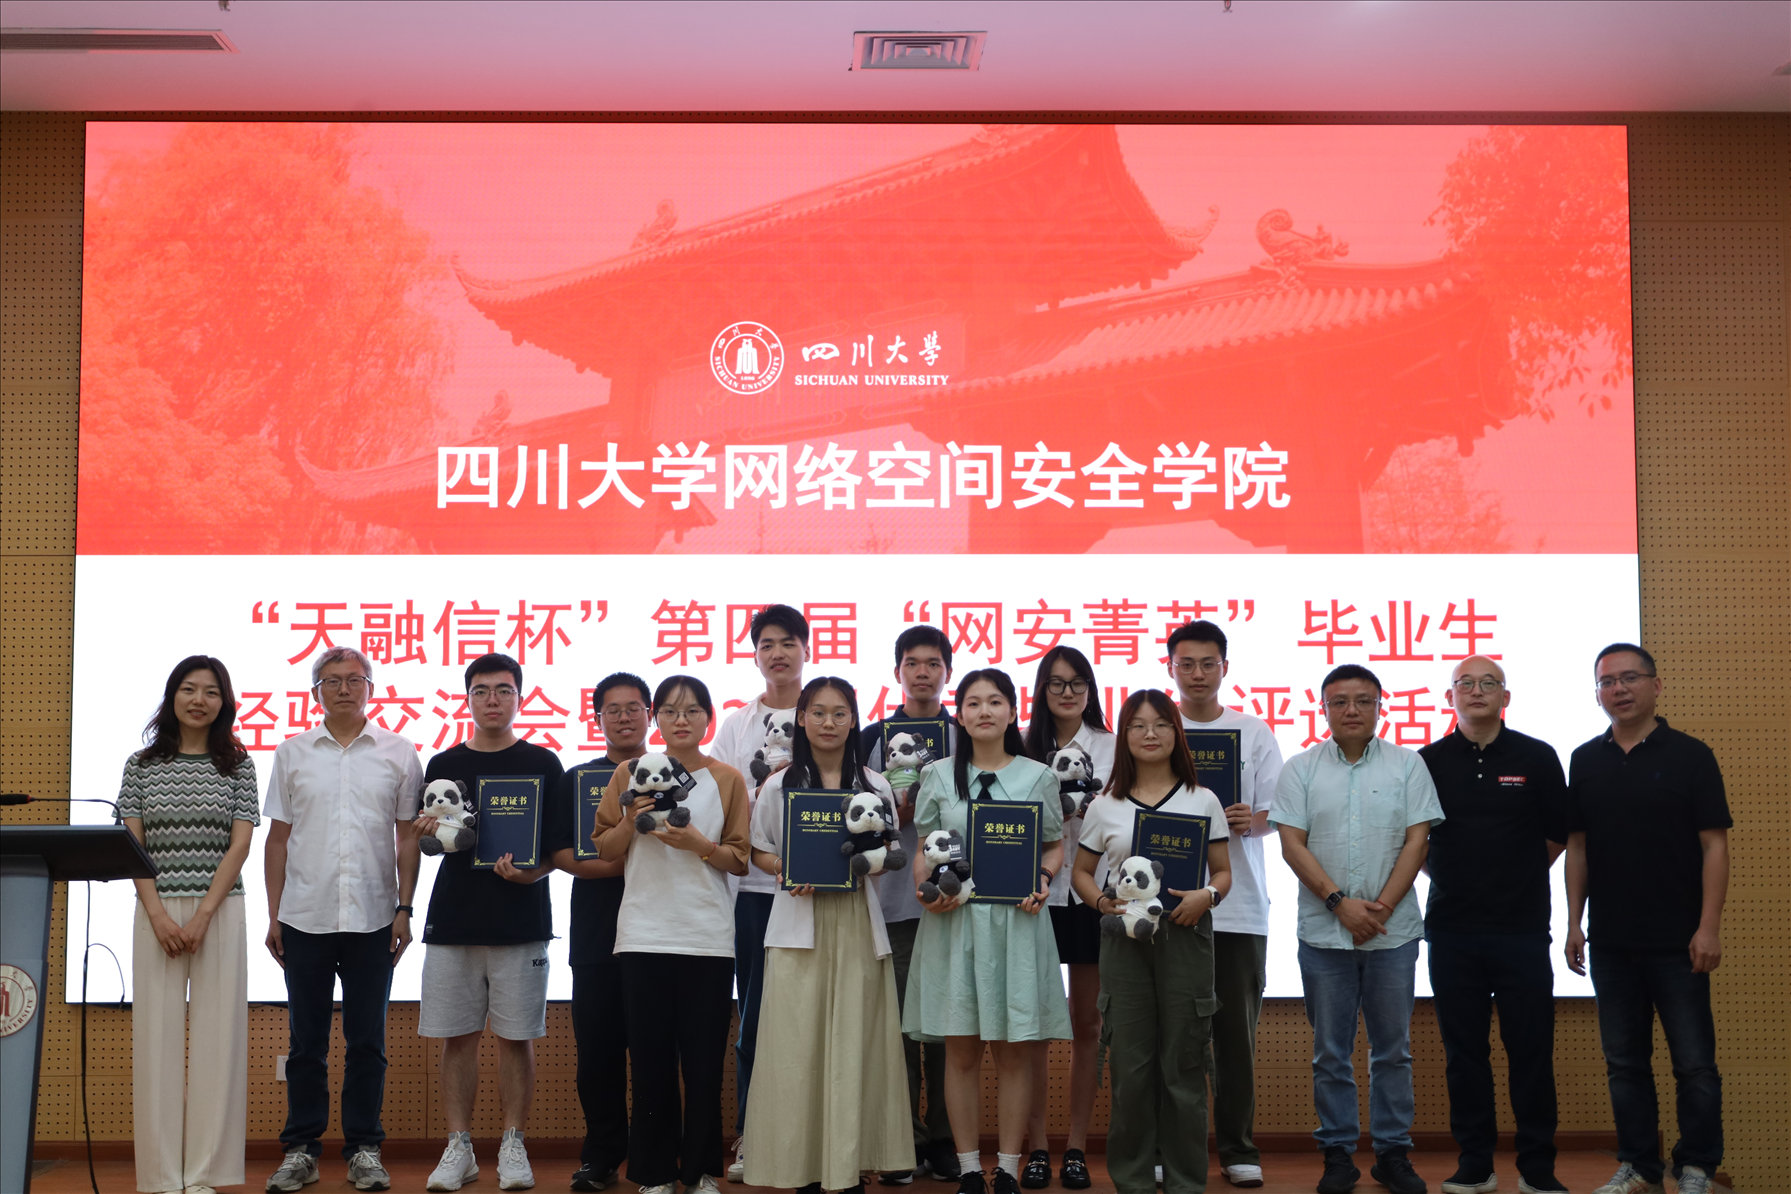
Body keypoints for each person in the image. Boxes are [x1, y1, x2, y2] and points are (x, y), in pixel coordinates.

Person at [1272, 664, 1442, 1194]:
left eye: (1363, 700)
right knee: (1331, 1051)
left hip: (1394, 935)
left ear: (1379, 706)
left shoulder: (1408, 765)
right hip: (1324, 936)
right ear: (1323, 708)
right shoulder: (1300, 768)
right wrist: (1339, 904)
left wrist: (1381, 909)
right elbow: (1291, 845)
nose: (1351, 710)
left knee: (1393, 1050)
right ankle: (1338, 1155)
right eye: (1340, 701)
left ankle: (1392, 1154)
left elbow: (1418, 841)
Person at [1566, 644, 1730, 1194]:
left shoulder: (1691, 755)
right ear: (1597, 694)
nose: (1618, 689)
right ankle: (1638, 1165)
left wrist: (1708, 927)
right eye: (1607, 682)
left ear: (1656, 686)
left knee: (1694, 1065)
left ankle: (1697, 1167)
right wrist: (1574, 922)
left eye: (1630, 678)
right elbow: (1578, 848)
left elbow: (1714, 846)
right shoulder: (1585, 759)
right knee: (1624, 1064)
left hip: (1680, 941)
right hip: (1612, 942)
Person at [742, 676, 915, 1192]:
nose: (828, 722)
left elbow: (890, 853)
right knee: (797, 1049)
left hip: (857, 921)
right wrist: (786, 869)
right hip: (798, 925)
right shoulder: (779, 785)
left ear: (853, 720)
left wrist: (868, 863)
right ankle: (802, 1169)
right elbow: (759, 850)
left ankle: (849, 1167)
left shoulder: (874, 785)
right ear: (801, 719)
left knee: (855, 1046)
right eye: (818, 712)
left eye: (840, 713)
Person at [903, 668, 1071, 1194]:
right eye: (973, 703)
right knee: (961, 1052)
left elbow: (1053, 845)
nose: (984, 711)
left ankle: (1009, 1169)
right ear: (960, 714)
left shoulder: (1038, 776)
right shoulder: (937, 776)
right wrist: (925, 890)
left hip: (1016, 923)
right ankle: (971, 1169)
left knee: (1015, 1051)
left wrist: (1043, 878)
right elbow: (924, 847)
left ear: (1012, 711)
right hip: (954, 924)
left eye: (995, 701)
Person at [264, 645, 423, 1194]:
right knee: (305, 1043)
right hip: (304, 917)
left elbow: (407, 838)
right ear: (316, 692)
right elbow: (277, 840)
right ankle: (301, 1150)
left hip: (375, 918)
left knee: (367, 1043)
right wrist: (274, 915)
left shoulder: (399, 752)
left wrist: (404, 908)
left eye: (355, 679)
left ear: (370, 688)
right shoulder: (292, 753)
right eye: (331, 681)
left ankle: (364, 1149)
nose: (344, 689)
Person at [592, 675, 752, 1194]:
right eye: (670, 711)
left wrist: (697, 844)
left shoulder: (726, 779)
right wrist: (630, 819)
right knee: (650, 1062)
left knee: (704, 1064)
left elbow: (739, 858)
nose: (681, 720)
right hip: (643, 934)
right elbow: (605, 848)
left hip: (706, 937)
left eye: (692, 710)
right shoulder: (628, 773)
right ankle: (655, 1171)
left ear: (708, 718)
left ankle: (700, 1169)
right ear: (655, 718)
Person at [1071, 689, 1232, 1194]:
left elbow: (1223, 873)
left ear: (1176, 733)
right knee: (1131, 1066)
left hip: (1186, 934)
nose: (1149, 734)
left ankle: (1185, 1181)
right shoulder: (1106, 804)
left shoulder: (1203, 799)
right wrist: (1102, 904)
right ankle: (1133, 1180)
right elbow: (1081, 873)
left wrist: (1207, 895)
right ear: (1124, 736)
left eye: (1161, 724)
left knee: (1184, 1064)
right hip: (1124, 941)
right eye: (1138, 725)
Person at [416, 653, 566, 1193]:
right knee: (457, 1038)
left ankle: (512, 1143)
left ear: (519, 698)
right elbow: (431, 837)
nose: (492, 700)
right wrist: (426, 832)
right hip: (454, 921)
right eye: (481, 691)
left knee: (516, 1038)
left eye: (503, 690)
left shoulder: (543, 762)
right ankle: (458, 1147)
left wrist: (532, 873)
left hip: (520, 921)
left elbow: (556, 848)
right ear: (468, 699)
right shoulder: (443, 763)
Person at [1418, 657, 1568, 1194]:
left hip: (1521, 929)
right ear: (1449, 696)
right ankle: (1475, 1162)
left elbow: (1557, 835)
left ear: (1506, 696)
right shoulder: (1427, 762)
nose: (1476, 691)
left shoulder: (1537, 756)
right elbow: (1416, 843)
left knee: (1531, 1050)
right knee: (1464, 1055)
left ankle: (1538, 1167)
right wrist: (1458, 878)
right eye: (1465, 683)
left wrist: (1512, 877)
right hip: (1452, 930)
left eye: (1489, 683)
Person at [118, 655, 260, 1194]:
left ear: (224, 702)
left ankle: (204, 1174)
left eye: (211, 691)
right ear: (172, 696)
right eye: (188, 688)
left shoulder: (238, 765)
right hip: (155, 910)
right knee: (155, 1038)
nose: (199, 700)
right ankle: (160, 1177)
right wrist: (157, 914)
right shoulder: (140, 765)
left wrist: (202, 915)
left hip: (220, 911)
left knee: (218, 1039)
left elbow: (240, 845)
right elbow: (132, 844)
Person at [1166, 621, 1283, 1191]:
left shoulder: (1252, 731)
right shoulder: (1155, 728)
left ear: (1225, 668)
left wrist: (1250, 821)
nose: (1197, 674)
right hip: (1168, 906)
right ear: (1170, 669)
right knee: (1173, 1039)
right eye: (1186, 664)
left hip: (1239, 909)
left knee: (1235, 1040)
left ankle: (1238, 1148)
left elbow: (1278, 813)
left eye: (1207, 663)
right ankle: (1171, 1150)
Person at [707, 604, 810, 1184]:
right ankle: (752, 1132)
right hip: (752, 890)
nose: (778, 653)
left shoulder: (825, 712)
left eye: (788, 642)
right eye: (767, 644)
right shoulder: (736, 726)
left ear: (806, 649)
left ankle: (812, 1133)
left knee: (812, 1017)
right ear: (755, 655)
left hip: (819, 891)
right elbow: (722, 802)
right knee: (755, 1017)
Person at [544, 673, 654, 1192]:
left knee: (656, 1053)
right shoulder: (577, 778)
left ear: (650, 714)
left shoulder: (677, 775)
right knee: (599, 1053)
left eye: (634, 708)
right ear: (598, 718)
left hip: (660, 931)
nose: (624, 717)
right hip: (596, 934)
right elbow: (560, 852)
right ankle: (602, 1156)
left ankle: (655, 1159)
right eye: (613, 709)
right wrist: (616, 867)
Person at [861, 625, 958, 1183]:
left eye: (933, 663)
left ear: (947, 671)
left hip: (953, 905)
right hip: (893, 904)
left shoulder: (966, 734)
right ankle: (905, 1139)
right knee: (897, 1027)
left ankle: (944, 1138)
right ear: (897, 671)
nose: (923, 672)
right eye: (912, 663)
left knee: (946, 1027)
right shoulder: (872, 738)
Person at [1018, 647, 1114, 1192]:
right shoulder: (1021, 748)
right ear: (1041, 690)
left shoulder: (1113, 746)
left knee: (1087, 1024)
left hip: (1094, 894)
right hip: (1034, 895)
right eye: (1056, 683)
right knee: (1032, 1026)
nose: (1068, 692)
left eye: (1078, 682)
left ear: (1090, 689)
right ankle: (1036, 1147)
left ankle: (1075, 1147)